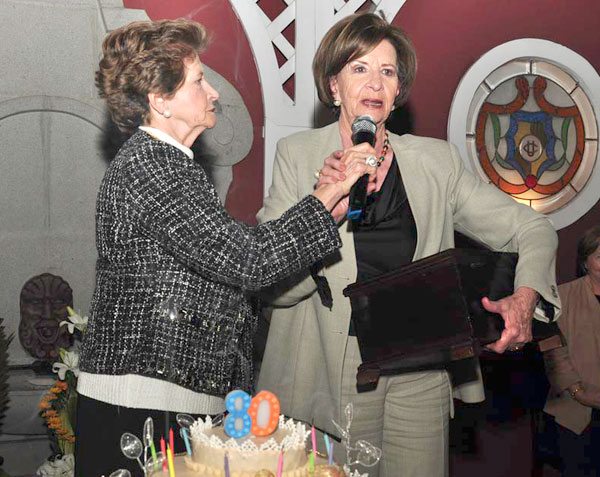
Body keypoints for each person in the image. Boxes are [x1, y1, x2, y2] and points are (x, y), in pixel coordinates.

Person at [257, 12, 560, 477]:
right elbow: (271, 284)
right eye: (359, 68)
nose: (374, 83)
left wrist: (525, 296)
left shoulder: (436, 162)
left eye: (387, 71)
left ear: (398, 89)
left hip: (421, 370)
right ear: (334, 85)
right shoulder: (297, 157)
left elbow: (533, 228)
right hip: (330, 366)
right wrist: (324, 209)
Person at [75, 18, 376, 477]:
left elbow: (230, 261)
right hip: (141, 407)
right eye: (199, 81)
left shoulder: (169, 165)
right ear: (160, 99)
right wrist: (327, 195)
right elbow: (248, 260)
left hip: (171, 401)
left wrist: (326, 209)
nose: (214, 93)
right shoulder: (152, 167)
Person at [543, 225, 600, 476]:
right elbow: (551, 348)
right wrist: (578, 392)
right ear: (585, 262)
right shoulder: (562, 296)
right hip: (577, 410)